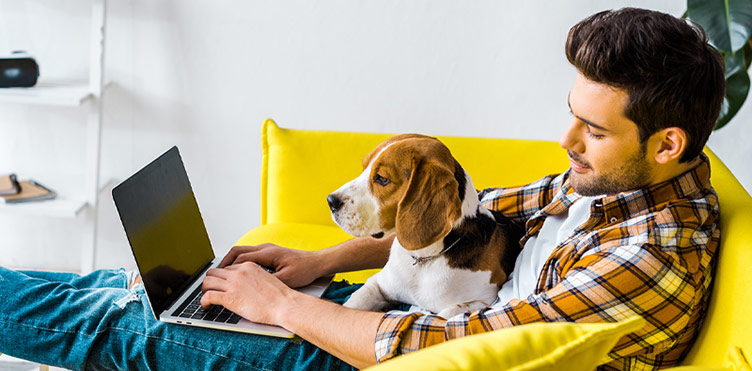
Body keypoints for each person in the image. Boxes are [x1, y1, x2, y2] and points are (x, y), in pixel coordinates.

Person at [0, 7, 724, 371]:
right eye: (573, 118)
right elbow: (485, 211)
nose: (567, 145)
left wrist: (282, 306)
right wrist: (318, 264)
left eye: (592, 131)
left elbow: (459, 341)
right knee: (121, 286)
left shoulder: (649, 257)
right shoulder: (617, 188)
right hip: (392, 325)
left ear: (666, 143)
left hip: (386, 357)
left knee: (118, 328)